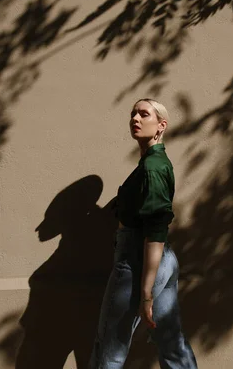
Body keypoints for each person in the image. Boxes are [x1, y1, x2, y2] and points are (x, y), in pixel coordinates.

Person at [89, 99, 198, 368]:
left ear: (161, 126)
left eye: (144, 114)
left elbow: (156, 228)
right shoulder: (151, 165)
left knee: (110, 346)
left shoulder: (152, 168)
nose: (135, 119)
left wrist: (146, 292)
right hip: (159, 259)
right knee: (172, 343)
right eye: (133, 114)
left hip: (140, 260)